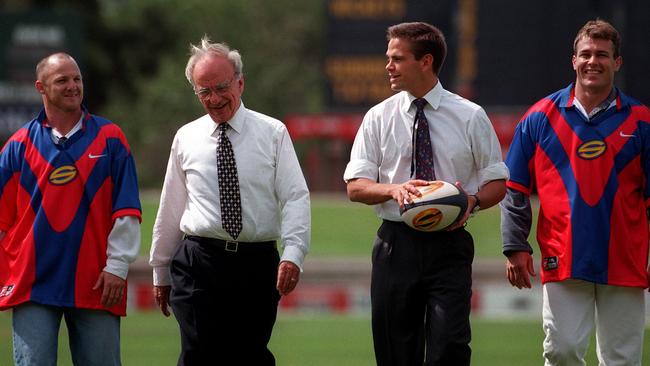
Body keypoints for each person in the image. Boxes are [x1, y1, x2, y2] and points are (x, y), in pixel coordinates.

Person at [344, 22, 508, 365]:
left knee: (450, 349)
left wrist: (471, 202)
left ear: (425, 61)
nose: (388, 66)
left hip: (449, 246)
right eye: (388, 58)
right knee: (394, 353)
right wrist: (394, 189)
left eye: (397, 58)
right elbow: (355, 186)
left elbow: (496, 183)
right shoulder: (378, 117)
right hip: (395, 246)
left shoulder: (470, 116)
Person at [149, 36, 310, 365]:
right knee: (199, 353)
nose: (215, 98)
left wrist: (293, 253)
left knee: (250, 356)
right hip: (199, 262)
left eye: (222, 87)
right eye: (204, 91)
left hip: (256, 263)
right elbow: (171, 206)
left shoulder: (273, 133)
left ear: (240, 82)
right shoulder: (186, 137)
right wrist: (160, 270)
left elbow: (294, 196)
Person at [501, 19, 650, 365]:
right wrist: (515, 247)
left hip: (625, 259)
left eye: (602, 54)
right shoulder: (540, 117)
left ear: (617, 62)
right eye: (585, 54)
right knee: (561, 351)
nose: (592, 61)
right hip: (562, 254)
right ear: (574, 60)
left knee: (622, 359)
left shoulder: (642, 121)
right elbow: (515, 188)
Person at [0, 53, 142, 365]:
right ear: (41, 87)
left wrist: (117, 266)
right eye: (62, 80)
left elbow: (127, 208)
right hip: (32, 285)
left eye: (76, 79)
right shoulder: (18, 145)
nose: (73, 86)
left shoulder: (111, 139)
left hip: (97, 282)